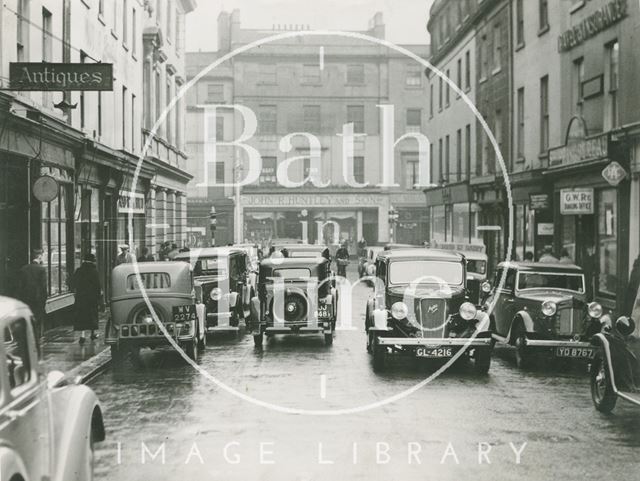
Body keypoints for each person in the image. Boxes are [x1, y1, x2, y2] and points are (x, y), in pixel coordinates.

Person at [71, 253, 103, 344]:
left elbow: (73, 283)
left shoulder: (79, 270)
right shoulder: (94, 271)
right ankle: (93, 334)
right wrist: (99, 296)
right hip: (91, 298)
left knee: (82, 317)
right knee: (92, 316)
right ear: (92, 261)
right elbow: (97, 285)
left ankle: (82, 335)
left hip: (81, 298)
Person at [16, 249, 48, 340]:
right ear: (40, 256)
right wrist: (44, 298)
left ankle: (27, 336)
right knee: (37, 317)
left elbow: (20, 286)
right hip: (37, 299)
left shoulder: (24, 268)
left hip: (25, 298)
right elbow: (43, 286)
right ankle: (36, 336)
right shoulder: (42, 269)